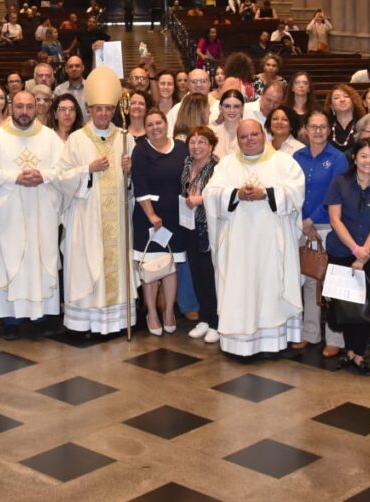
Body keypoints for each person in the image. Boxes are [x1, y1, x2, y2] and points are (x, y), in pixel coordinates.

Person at [203, 120, 306, 355]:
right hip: (237, 244)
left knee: (271, 287)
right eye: (244, 136)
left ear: (264, 135)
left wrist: (266, 194)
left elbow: (296, 191)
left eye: (254, 134)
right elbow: (210, 194)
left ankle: (272, 341)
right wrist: (235, 193)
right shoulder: (227, 165)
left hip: (272, 243)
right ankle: (237, 341)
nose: (249, 139)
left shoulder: (283, 162)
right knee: (238, 287)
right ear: (237, 140)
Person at [52, 70, 136, 335]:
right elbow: (60, 177)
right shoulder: (77, 140)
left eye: (108, 109)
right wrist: (87, 169)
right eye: (98, 109)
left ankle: (116, 322)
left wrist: (129, 170)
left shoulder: (126, 138)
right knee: (88, 267)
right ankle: (85, 322)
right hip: (86, 218)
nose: (103, 114)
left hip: (117, 223)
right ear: (89, 109)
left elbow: (134, 186)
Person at [0, 92, 65, 339]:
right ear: (10, 107)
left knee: (38, 260)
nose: (25, 111)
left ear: (36, 107)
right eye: (19, 106)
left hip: (42, 214)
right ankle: (10, 319)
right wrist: (14, 178)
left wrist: (45, 176)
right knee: (10, 262)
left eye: (29, 106)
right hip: (8, 217)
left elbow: (63, 169)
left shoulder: (50, 138)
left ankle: (40, 315)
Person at [325, 138, 370, 374]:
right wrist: (355, 249)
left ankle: (359, 354)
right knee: (344, 306)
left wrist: (364, 255)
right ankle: (349, 352)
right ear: (354, 157)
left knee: (364, 307)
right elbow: (335, 220)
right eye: (363, 156)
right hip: (341, 251)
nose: (368, 161)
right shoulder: (340, 183)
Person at [293, 111, 349, 354]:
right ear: (306, 129)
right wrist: (302, 221)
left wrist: (312, 219)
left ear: (329, 130)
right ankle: (310, 333)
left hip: (328, 225)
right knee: (308, 279)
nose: (318, 131)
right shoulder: (297, 156)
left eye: (323, 127)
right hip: (300, 225)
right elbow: (292, 190)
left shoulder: (338, 158)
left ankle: (335, 340)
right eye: (313, 127)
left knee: (330, 283)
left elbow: (335, 193)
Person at [130, 109, 190, 335]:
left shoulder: (181, 148)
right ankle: (152, 313)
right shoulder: (141, 150)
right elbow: (140, 182)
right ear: (145, 129)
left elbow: (188, 176)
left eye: (159, 123)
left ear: (167, 124)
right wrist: (152, 215)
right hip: (150, 218)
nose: (155, 127)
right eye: (150, 124)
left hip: (175, 216)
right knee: (151, 266)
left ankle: (168, 312)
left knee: (171, 265)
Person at [180, 126, 221, 343]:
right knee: (196, 273)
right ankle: (204, 318)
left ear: (211, 145)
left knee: (210, 275)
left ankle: (216, 322)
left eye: (202, 142)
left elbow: (223, 196)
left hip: (209, 228)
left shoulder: (218, 168)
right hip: (188, 224)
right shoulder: (187, 164)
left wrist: (201, 199)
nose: (196, 147)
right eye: (193, 142)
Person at [327, 84, 362, 156]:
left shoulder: (362, 126)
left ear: (353, 102)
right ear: (331, 106)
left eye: (346, 96)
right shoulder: (325, 127)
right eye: (336, 98)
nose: (342, 100)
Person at [212, 89, 246, 159]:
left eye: (236, 106)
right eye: (227, 106)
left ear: (242, 109)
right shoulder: (211, 133)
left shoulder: (250, 135)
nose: (232, 110)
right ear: (220, 108)